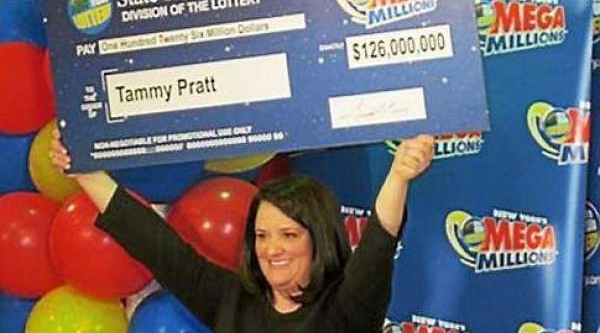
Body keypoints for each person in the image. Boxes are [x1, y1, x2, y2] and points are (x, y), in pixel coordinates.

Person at [50, 130, 434, 333]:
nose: (272, 249)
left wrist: (399, 175)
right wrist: (86, 173)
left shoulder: (347, 308)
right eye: (262, 236)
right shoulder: (232, 300)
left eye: (288, 235)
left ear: (318, 240)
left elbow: (378, 243)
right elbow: (157, 244)